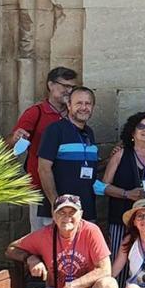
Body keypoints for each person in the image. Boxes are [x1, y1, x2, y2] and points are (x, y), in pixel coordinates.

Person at [8, 66, 77, 229]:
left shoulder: (74, 114)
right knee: (42, 237)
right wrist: (16, 137)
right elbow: (9, 144)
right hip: (40, 187)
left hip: (68, 187)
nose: (69, 91)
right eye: (64, 86)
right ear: (51, 85)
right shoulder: (35, 112)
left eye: (72, 87)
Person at [99, 111, 145, 257]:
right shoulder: (120, 154)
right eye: (141, 126)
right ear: (132, 131)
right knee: (120, 261)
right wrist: (126, 194)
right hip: (122, 220)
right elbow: (101, 186)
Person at [36, 86, 101, 222]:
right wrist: (56, 203)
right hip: (60, 213)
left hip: (85, 210)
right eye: (79, 103)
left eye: (88, 103)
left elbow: (87, 166)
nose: (84, 107)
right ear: (69, 105)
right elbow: (43, 168)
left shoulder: (89, 132)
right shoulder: (55, 130)